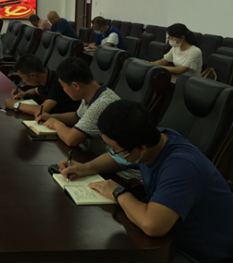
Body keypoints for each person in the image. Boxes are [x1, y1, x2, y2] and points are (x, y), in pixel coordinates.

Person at [58, 100, 233, 263]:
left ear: (141, 149)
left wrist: (118, 192)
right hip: (171, 239)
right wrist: (86, 168)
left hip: (200, 254)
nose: (112, 152)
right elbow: (119, 160)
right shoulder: (154, 139)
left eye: (114, 149)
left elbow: (153, 225)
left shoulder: (181, 167)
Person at [35, 57, 120, 156]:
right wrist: (50, 117)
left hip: (105, 161)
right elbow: (77, 116)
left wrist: (55, 123)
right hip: (88, 152)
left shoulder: (102, 104)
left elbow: (71, 139)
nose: (63, 90)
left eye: (63, 86)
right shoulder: (91, 93)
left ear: (76, 86)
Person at [5, 54, 80, 115]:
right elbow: (36, 91)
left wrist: (15, 105)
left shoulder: (58, 83)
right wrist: (23, 94)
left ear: (33, 75)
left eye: (22, 78)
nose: (23, 81)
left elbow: (42, 110)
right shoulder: (46, 77)